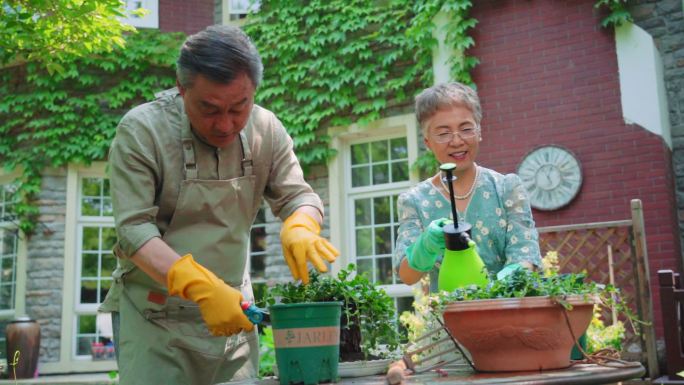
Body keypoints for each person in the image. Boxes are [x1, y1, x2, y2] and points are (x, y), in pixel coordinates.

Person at [99, 25, 339, 385]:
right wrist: (199, 286)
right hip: (155, 318)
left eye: (239, 106)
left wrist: (301, 225)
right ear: (182, 90)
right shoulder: (142, 131)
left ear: (253, 91)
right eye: (209, 109)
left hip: (234, 315)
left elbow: (299, 196)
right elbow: (133, 230)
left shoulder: (265, 129)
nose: (226, 124)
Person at [394, 82, 541, 291]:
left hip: (508, 311)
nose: (456, 141)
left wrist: (493, 291)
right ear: (427, 142)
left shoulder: (507, 188)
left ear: (479, 131)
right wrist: (425, 246)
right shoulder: (414, 201)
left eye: (465, 129)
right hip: (448, 319)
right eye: (443, 133)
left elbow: (525, 256)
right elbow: (407, 275)